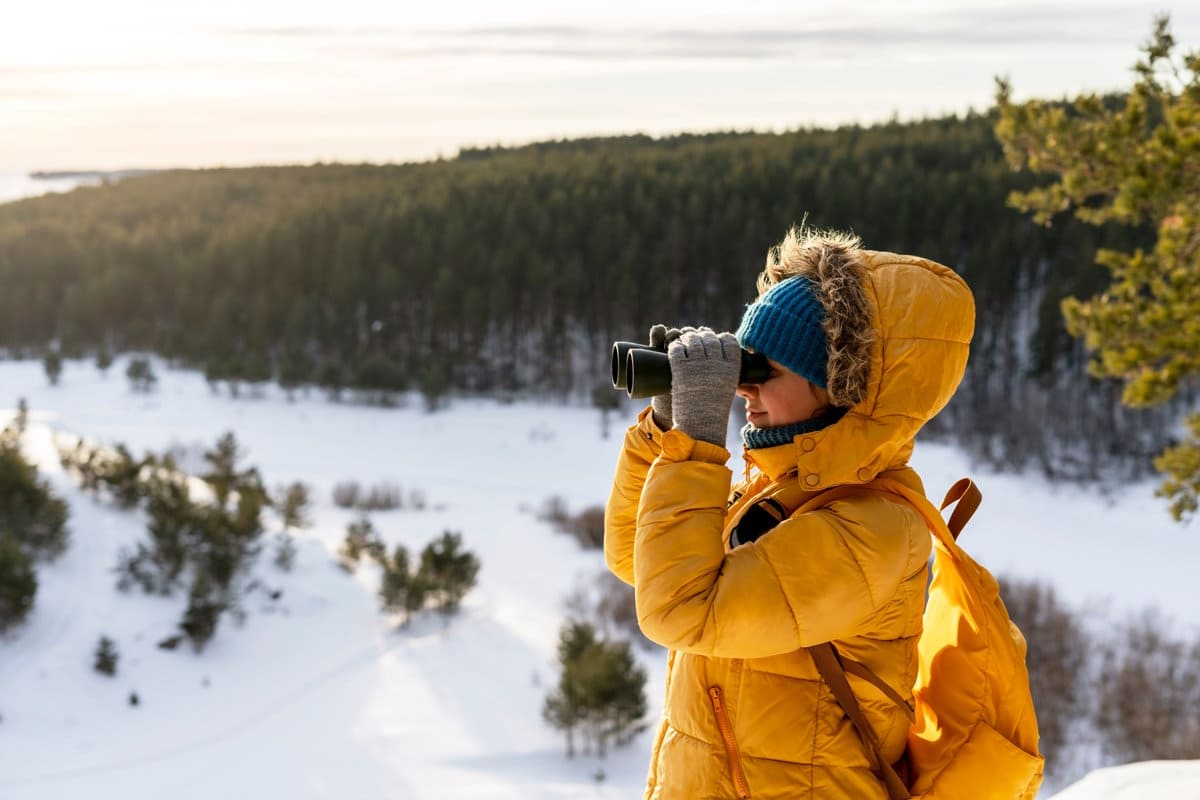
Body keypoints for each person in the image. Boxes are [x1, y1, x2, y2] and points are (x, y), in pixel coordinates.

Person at [604, 225, 974, 799]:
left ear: (839, 388)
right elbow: (635, 559)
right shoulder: (776, 490)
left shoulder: (874, 529)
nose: (742, 391)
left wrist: (697, 446)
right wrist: (666, 429)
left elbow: (680, 611)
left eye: (762, 372)